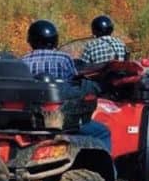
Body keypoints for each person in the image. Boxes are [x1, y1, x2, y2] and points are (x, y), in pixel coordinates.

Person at [22, 20, 112, 152]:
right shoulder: (64, 58)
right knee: (102, 132)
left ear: (30, 40)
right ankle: (109, 170)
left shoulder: (23, 61)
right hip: (62, 119)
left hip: (31, 120)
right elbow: (73, 84)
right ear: (55, 40)